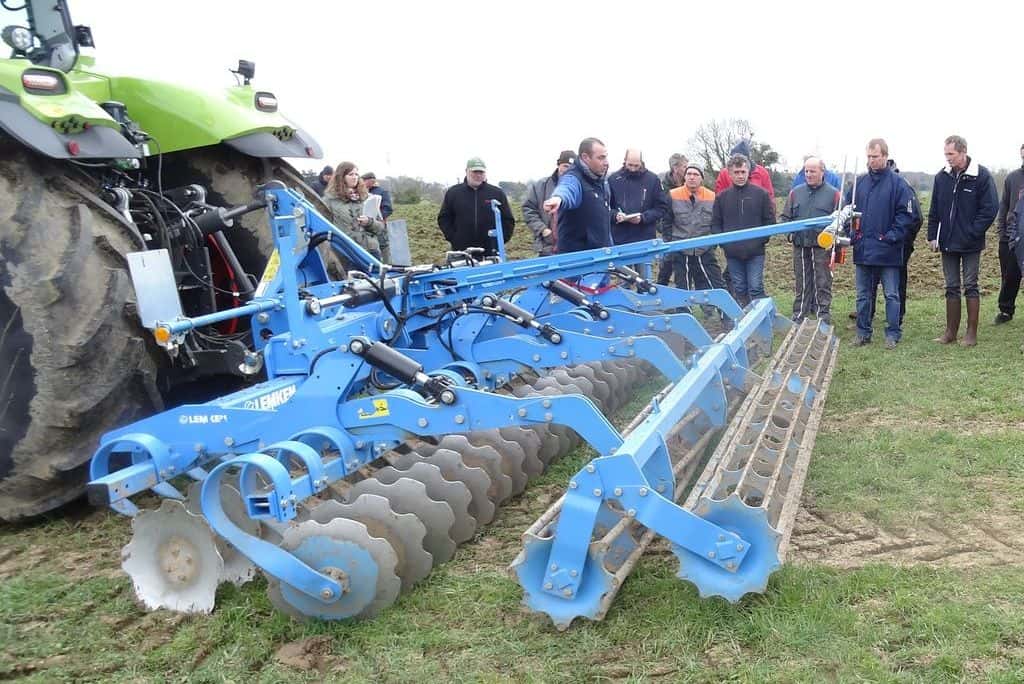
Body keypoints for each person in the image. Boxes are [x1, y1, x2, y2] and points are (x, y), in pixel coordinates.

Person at [927, 135, 999, 347]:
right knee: (951, 286)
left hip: (970, 244)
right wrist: (933, 235)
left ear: (963, 151)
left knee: (971, 285)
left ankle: (971, 334)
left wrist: (972, 232)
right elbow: (934, 209)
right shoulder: (942, 177)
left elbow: (990, 209)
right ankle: (950, 332)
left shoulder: (981, 176)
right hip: (947, 242)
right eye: (946, 154)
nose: (947, 158)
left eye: (951, 154)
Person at [845, 139, 915, 349]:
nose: (871, 161)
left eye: (875, 157)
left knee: (891, 294)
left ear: (885, 156)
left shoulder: (898, 184)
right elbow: (848, 211)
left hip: (888, 251)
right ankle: (862, 332)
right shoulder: (859, 184)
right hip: (863, 249)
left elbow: (906, 216)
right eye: (868, 157)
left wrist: (890, 237)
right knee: (863, 295)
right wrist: (853, 234)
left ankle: (893, 333)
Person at [780, 157, 840, 324]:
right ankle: (799, 314)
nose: (809, 174)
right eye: (806, 171)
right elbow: (785, 217)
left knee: (823, 281)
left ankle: (823, 316)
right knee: (802, 281)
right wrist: (790, 232)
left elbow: (840, 221)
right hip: (800, 245)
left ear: (822, 172)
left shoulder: (834, 194)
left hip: (822, 247)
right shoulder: (795, 193)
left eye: (812, 171)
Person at [711, 154, 775, 306]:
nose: (740, 176)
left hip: (756, 252)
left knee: (755, 287)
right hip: (732, 253)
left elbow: (770, 221)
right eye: (736, 172)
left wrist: (760, 241)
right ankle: (746, 319)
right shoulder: (722, 198)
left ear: (748, 172)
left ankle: (762, 320)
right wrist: (724, 243)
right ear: (730, 173)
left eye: (743, 172)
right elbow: (715, 224)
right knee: (739, 288)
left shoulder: (761, 195)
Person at [542, 137, 613, 253]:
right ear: (585, 157)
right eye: (601, 158)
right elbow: (567, 189)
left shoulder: (602, 181)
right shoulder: (574, 178)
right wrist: (558, 198)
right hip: (579, 261)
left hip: (602, 256)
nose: (606, 163)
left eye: (606, 157)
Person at [665, 164, 725, 295]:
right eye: (689, 174)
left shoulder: (712, 196)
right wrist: (672, 242)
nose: (692, 177)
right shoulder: (673, 195)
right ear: (685, 177)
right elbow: (665, 222)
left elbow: (716, 223)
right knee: (682, 287)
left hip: (704, 249)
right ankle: (684, 313)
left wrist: (712, 244)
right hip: (680, 249)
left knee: (716, 283)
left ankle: (721, 313)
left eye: (696, 174)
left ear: (701, 178)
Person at [437, 157, 515, 254]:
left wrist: (498, 241)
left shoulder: (497, 193)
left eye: (481, 172)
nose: (478, 175)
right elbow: (444, 218)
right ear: (466, 171)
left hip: (491, 251)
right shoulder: (453, 193)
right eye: (474, 172)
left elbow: (508, 220)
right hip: (462, 250)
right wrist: (454, 238)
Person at [323, 162, 386, 260]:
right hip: (347, 253)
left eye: (356, 174)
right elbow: (324, 229)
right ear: (341, 177)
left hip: (371, 251)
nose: (354, 177)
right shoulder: (330, 200)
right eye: (350, 174)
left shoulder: (368, 198)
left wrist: (369, 222)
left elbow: (381, 227)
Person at [608, 149, 670, 245]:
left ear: (641, 162)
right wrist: (615, 215)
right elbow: (606, 208)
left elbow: (661, 208)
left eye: (636, 165)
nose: (633, 169)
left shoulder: (653, 180)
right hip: (619, 240)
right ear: (625, 161)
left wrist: (643, 218)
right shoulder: (613, 180)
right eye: (630, 165)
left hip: (645, 239)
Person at [993, 143, 1024, 324]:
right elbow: (1004, 205)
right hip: (1012, 237)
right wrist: (1002, 232)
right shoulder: (1012, 178)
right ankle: (1006, 309)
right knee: (1009, 275)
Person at [523, 150, 575, 256]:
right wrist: (543, 230)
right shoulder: (541, 186)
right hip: (548, 247)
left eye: (571, 167)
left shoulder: (579, 188)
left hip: (574, 248)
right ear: (558, 165)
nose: (567, 170)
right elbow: (528, 209)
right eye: (565, 166)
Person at [657, 153, 689, 284]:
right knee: (667, 264)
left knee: (684, 267)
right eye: (685, 167)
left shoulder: (689, 184)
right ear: (675, 168)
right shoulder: (663, 188)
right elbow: (660, 210)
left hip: (687, 230)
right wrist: (664, 229)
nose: (688, 170)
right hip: (669, 232)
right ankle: (660, 290)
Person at [361, 172, 393, 262]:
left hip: (379, 224)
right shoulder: (360, 191)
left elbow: (388, 208)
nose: (363, 183)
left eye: (364, 181)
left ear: (371, 180)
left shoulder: (381, 192)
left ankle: (386, 264)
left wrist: (379, 217)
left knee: (383, 246)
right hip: (366, 225)